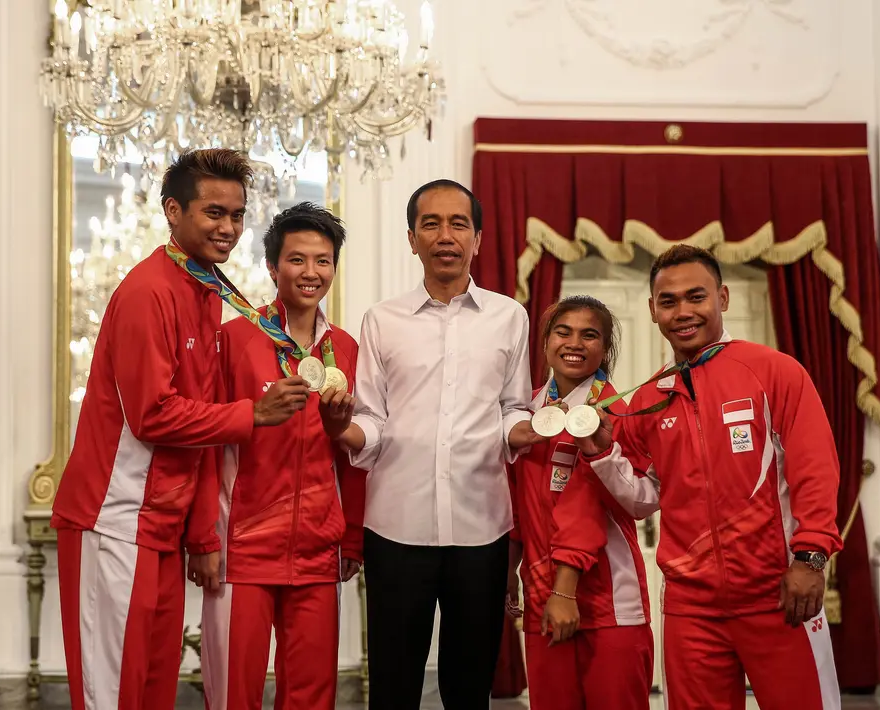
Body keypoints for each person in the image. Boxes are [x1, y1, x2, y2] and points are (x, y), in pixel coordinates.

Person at [50, 149, 311, 710]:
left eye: (238, 215)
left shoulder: (203, 288)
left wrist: (199, 534)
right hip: (113, 516)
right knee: (112, 693)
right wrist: (252, 414)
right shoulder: (150, 291)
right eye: (213, 212)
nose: (228, 228)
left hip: (160, 525)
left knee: (151, 691)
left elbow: (196, 425)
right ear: (173, 210)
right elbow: (152, 415)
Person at [570, 244, 843, 710]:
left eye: (696, 297)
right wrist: (600, 455)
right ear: (652, 309)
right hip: (690, 608)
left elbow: (814, 469)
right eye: (669, 301)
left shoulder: (774, 371)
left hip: (778, 593)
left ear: (723, 297)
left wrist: (811, 559)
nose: (683, 312)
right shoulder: (649, 399)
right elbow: (641, 499)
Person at [331, 179, 546, 709]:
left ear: (477, 238)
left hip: (482, 528)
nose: (445, 235)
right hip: (396, 526)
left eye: (458, 224)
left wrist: (532, 429)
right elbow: (372, 419)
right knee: (393, 682)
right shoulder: (382, 320)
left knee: (469, 685)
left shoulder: (509, 317)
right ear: (411, 239)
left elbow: (514, 408)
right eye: (431, 224)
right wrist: (339, 430)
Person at [199, 202, 365, 710]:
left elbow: (355, 453)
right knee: (234, 693)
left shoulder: (348, 349)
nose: (310, 273)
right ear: (273, 267)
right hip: (240, 549)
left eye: (323, 261)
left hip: (318, 549)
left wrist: (352, 537)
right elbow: (206, 443)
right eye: (297, 260)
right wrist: (203, 534)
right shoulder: (235, 339)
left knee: (313, 695)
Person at [506, 295, 654, 710]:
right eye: (563, 332)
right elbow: (516, 501)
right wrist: (510, 568)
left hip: (607, 598)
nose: (575, 343)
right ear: (546, 342)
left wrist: (565, 592)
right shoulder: (528, 411)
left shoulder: (617, 415)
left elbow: (585, 502)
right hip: (542, 593)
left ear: (604, 349)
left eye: (590, 335)